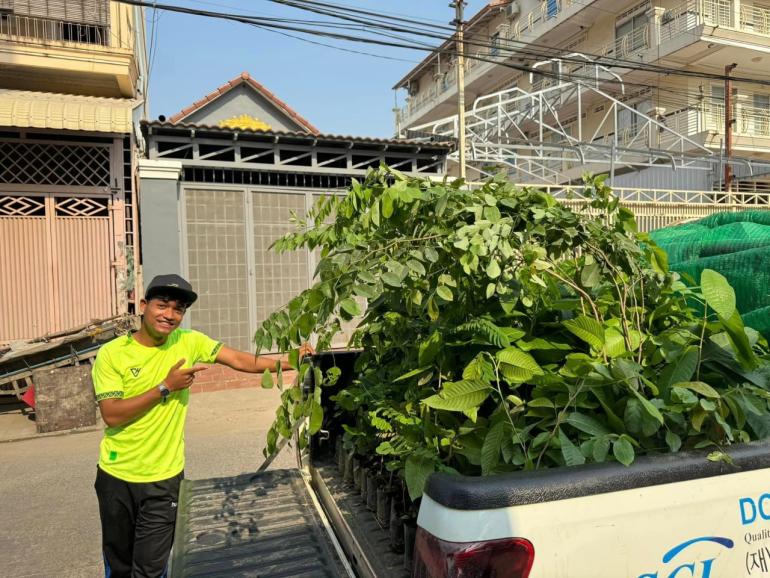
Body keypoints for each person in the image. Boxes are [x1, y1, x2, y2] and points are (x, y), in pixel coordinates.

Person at [92, 274, 311, 578]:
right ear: (143, 306)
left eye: (178, 309)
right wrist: (166, 387)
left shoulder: (189, 341)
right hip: (116, 476)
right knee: (119, 566)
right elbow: (112, 414)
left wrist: (291, 360)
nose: (170, 315)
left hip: (164, 478)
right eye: (162, 305)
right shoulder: (112, 354)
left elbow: (239, 360)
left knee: (150, 571)